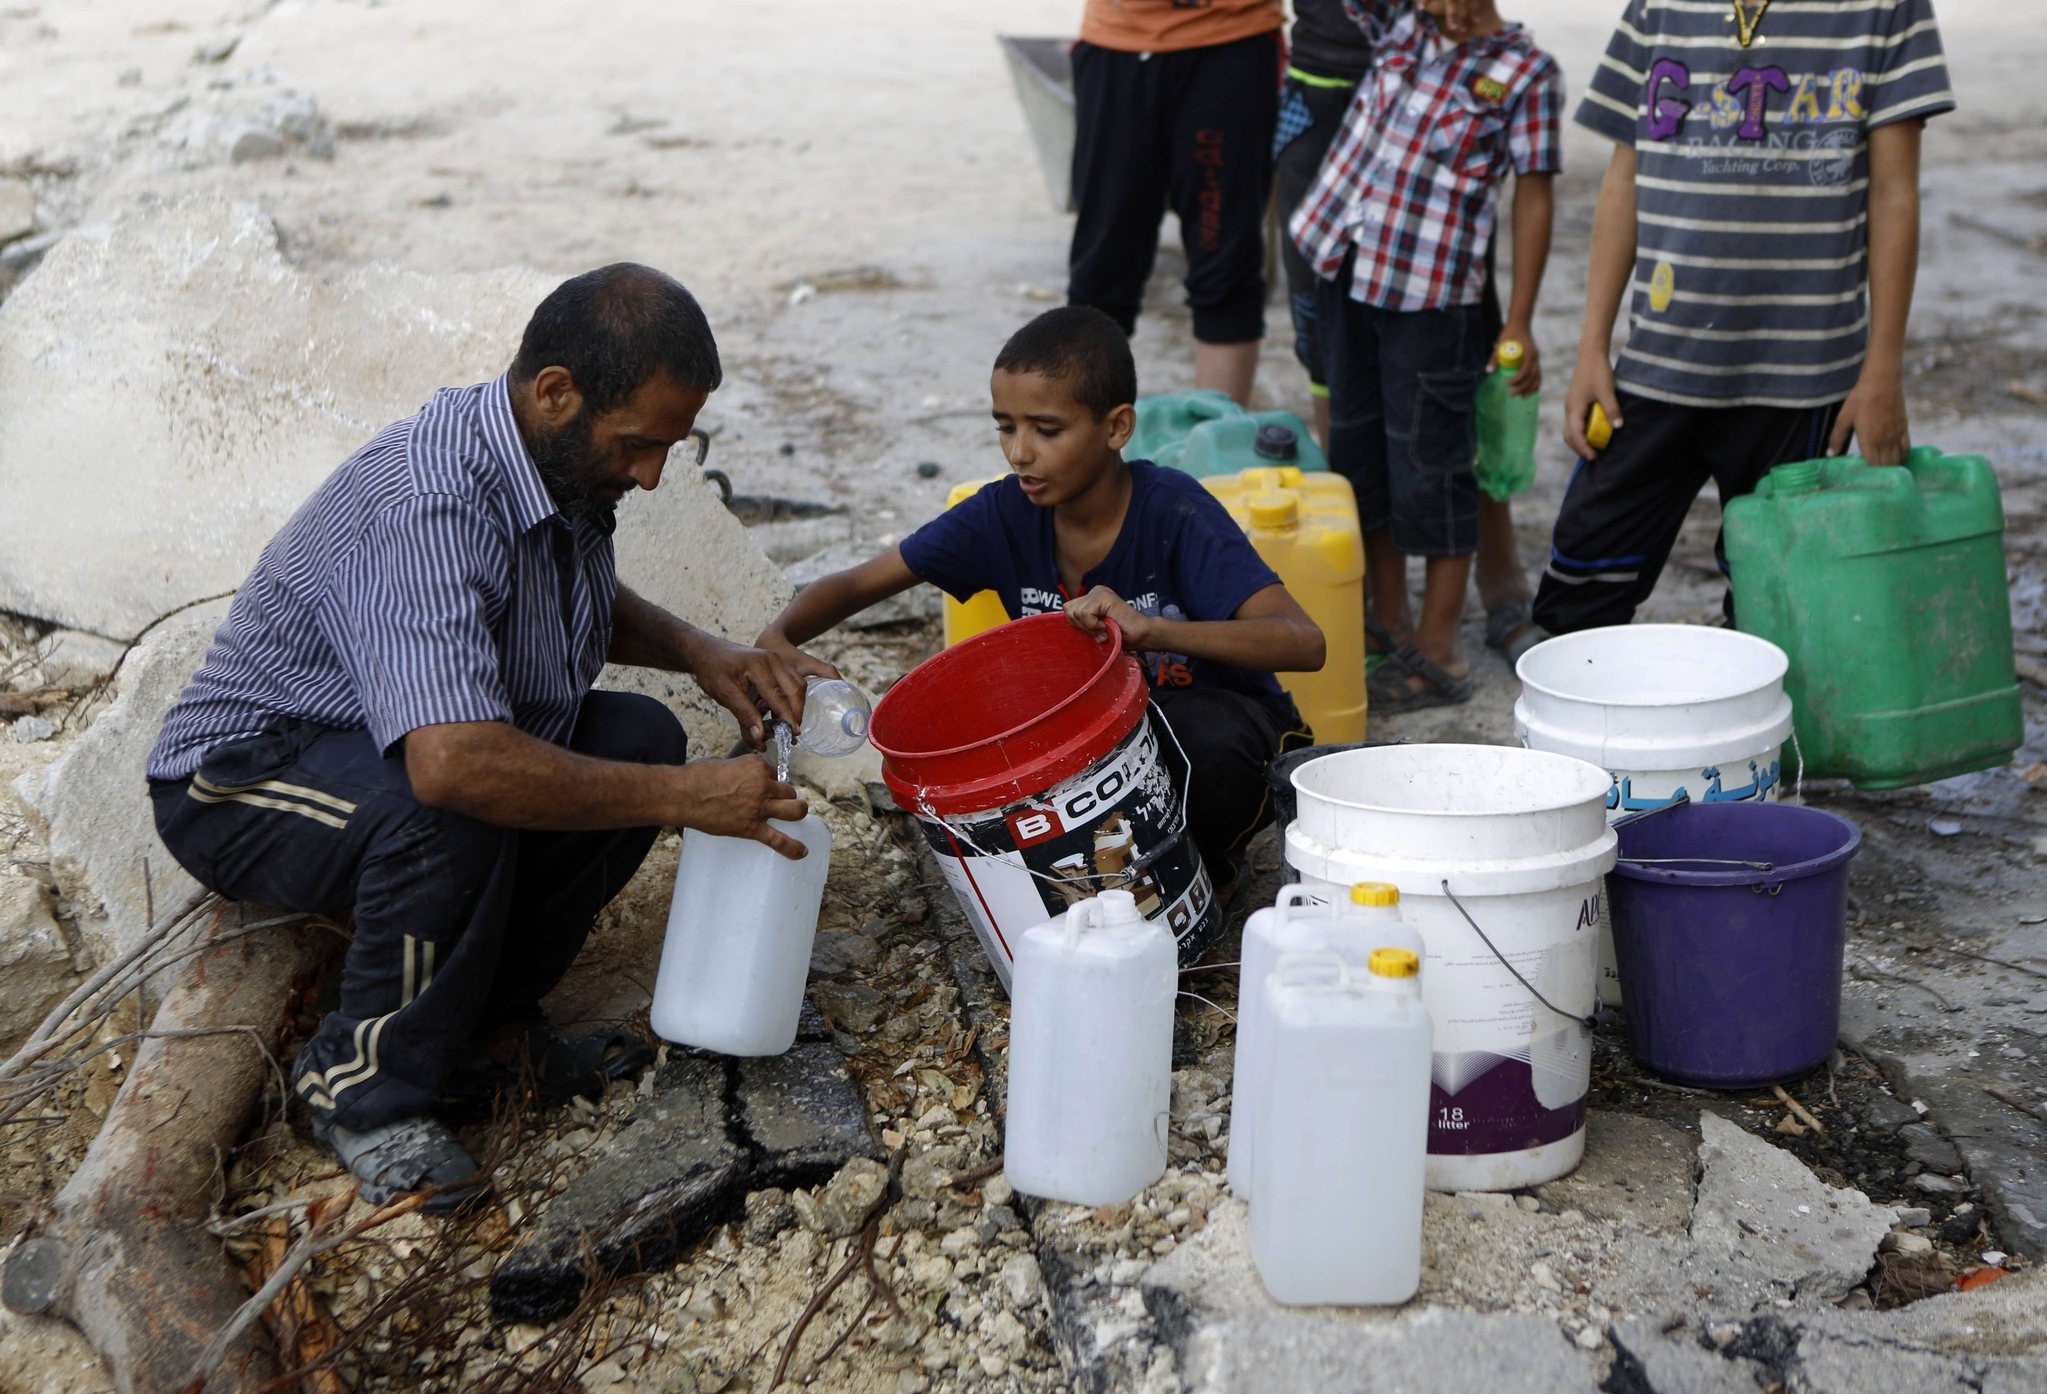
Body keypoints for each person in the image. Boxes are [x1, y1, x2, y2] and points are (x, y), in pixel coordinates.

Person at [147, 265, 831, 1210]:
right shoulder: (425, 500)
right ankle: (359, 1091)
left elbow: (565, 591)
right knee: (445, 806)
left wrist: (698, 650)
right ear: (555, 391)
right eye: (638, 445)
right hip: (247, 773)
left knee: (636, 735)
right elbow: (453, 762)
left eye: (670, 447)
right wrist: (689, 803)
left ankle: (485, 1035)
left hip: (394, 746)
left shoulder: (556, 466)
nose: (651, 474)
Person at [757, 305, 1322, 901]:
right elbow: (855, 584)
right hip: (1085, 753)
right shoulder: (1002, 514)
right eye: (1006, 426)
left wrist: (1152, 630)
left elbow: (1304, 641)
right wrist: (778, 638)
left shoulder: (1174, 511)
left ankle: (1208, 867)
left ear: (1116, 428)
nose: (1020, 452)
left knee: (1202, 740)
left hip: (1205, 739)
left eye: (1046, 430)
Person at [1534, 0, 1954, 636]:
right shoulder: (1657, 8)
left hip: (1805, 379)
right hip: (1658, 365)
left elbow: (1896, 193)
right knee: (1580, 589)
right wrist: (1592, 347)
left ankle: (1768, 738)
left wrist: (1882, 374)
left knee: (1778, 605)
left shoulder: (1886, 9)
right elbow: (1626, 178)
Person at [1289, 0, 1562, 710]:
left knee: (1434, 471)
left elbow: (1533, 197)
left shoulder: (1524, 73)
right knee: (1360, 455)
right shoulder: (1403, 26)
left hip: (1434, 299)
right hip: (1346, 270)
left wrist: (1522, 321)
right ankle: (1390, 623)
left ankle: (1440, 650)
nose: (1440, 7)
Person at [1065, 0, 1285, 405]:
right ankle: (1081, 459)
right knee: (1102, 268)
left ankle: (1216, 451)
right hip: (1117, 38)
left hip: (1232, 39)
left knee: (1226, 265)